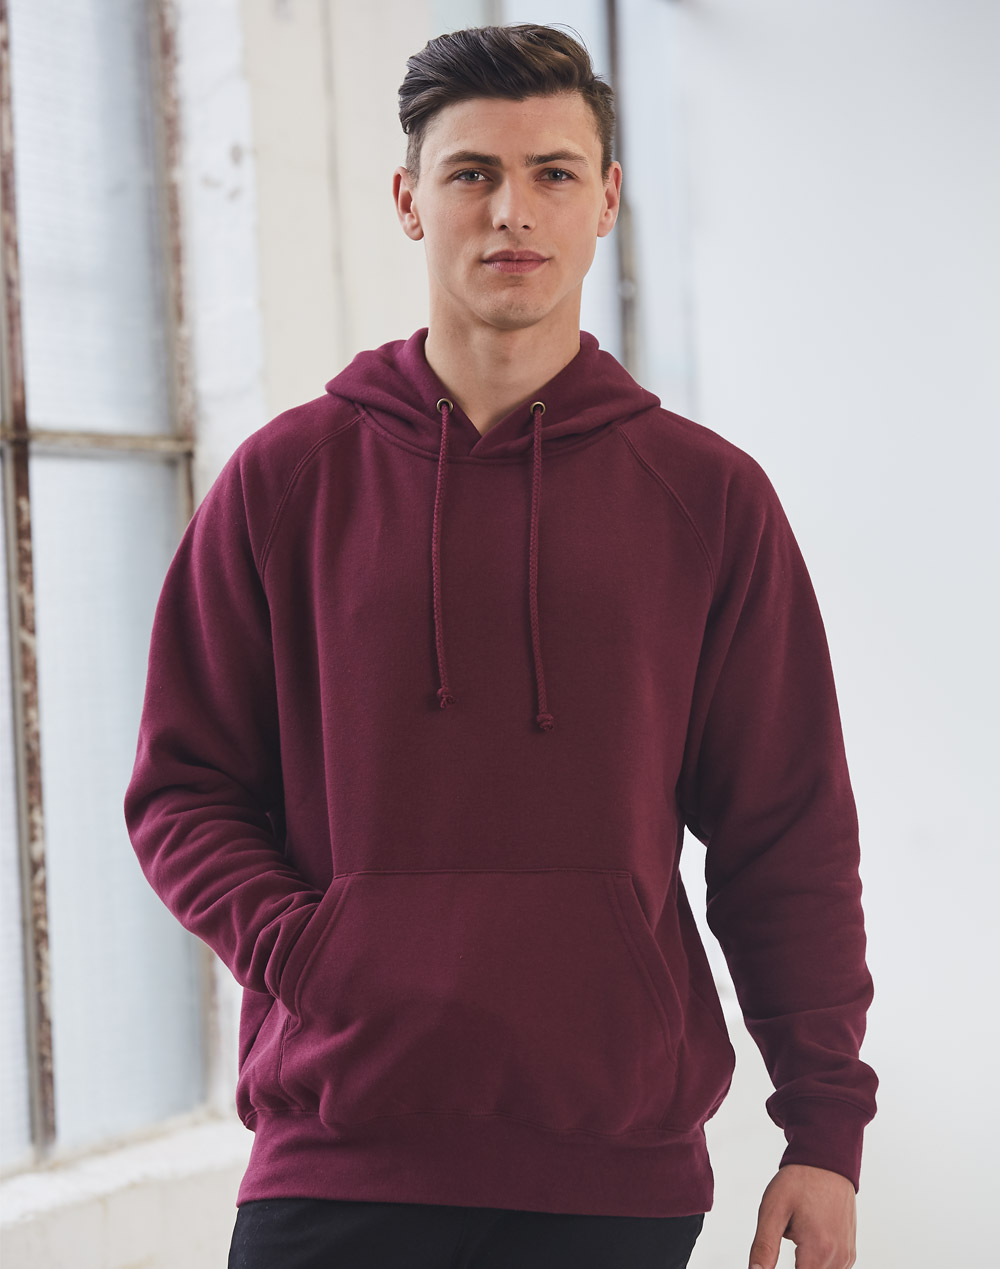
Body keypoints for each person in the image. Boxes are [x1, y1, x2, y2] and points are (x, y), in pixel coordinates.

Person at [124, 22, 878, 1269]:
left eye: (552, 173)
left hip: (612, 1173)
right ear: (409, 199)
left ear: (606, 200)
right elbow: (182, 788)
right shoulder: (285, 481)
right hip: (341, 1144)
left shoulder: (706, 497)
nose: (511, 211)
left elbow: (784, 829)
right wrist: (311, 953)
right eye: (471, 172)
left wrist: (823, 1129)